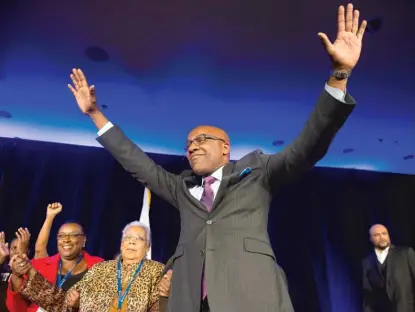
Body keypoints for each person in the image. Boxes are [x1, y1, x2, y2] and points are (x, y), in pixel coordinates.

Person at [67, 4, 366, 311]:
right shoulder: (181, 188)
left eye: (201, 140)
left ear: (226, 147)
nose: (192, 147)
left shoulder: (257, 171)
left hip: (250, 296)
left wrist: (339, 75)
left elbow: (308, 146)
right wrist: (95, 114)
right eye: (187, 144)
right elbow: (136, 162)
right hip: (191, 301)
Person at [11, 221, 164, 312]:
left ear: (148, 246)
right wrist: (30, 272)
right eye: (127, 237)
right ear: (121, 244)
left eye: (138, 238)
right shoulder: (101, 269)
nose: (131, 241)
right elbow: (63, 301)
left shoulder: (157, 271)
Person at [6, 221, 103, 312]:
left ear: (84, 239)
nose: (66, 240)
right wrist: (16, 276)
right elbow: (15, 308)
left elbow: (104, 305)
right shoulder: (39, 266)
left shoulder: (99, 267)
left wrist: (81, 304)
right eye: (61, 236)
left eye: (73, 235)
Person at [362, 224, 415, 312]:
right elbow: (368, 295)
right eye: (377, 235)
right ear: (370, 239)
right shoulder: (367, 261)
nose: (381, 237)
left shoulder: (405, 253)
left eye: (384, 233)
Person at [0, 229, 30, 312]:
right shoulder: (2, 267)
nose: (17, 251)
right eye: (14, 248)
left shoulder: (31, 270)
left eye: (21, 247)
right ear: (9, 251)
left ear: (27, 251)